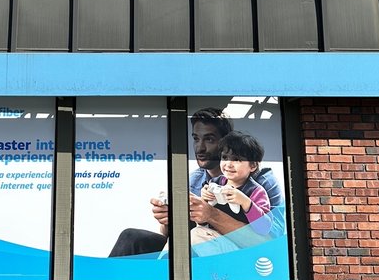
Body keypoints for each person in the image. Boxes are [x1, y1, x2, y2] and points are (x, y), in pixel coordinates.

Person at [108, 107, 282, 256]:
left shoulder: (263, 183)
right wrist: (169, 219)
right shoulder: (194, 180)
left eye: (209, 139)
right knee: (131, 238)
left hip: (237, 256)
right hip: (197, 246)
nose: (200, 148)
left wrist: (212, 215)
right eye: (196, 139)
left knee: (196, 237)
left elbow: (271, 244)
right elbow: (173, 235)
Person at [193, 131, 272, 244]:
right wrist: (204, 198)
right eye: (225, 157)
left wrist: (245, 202)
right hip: (212, 237)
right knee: (192, 234)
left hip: (237, 244)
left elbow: (264, 228)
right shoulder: (214, 182)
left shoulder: (256, 191)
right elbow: (202, 221)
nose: (229, 164)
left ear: (253, 165)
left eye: (236, 159)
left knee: (196, 235)